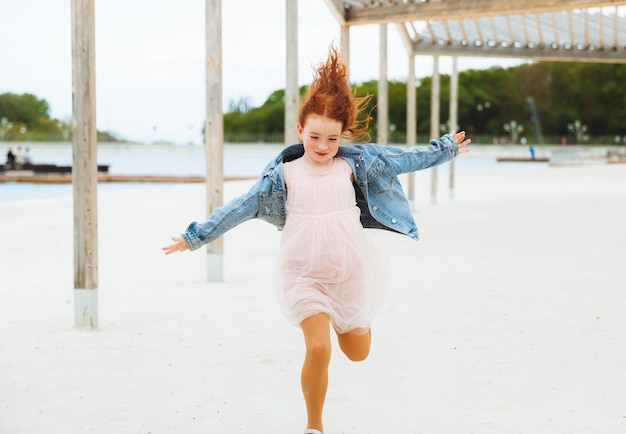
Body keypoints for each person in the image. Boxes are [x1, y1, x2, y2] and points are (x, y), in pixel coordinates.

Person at [162, 46, 470, 434]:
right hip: (302, 273)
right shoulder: (284, 175)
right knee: (318, 348)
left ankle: (355, 321)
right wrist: (194, 237)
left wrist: (445, 149)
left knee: (357, 354)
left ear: (343, 136)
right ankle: (314, 426)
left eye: (331, 138)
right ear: (299, 131)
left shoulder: (354, 164)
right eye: (314, 136)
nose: (322, 146)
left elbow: (405, 159)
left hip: (349, 271)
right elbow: (238, 208)